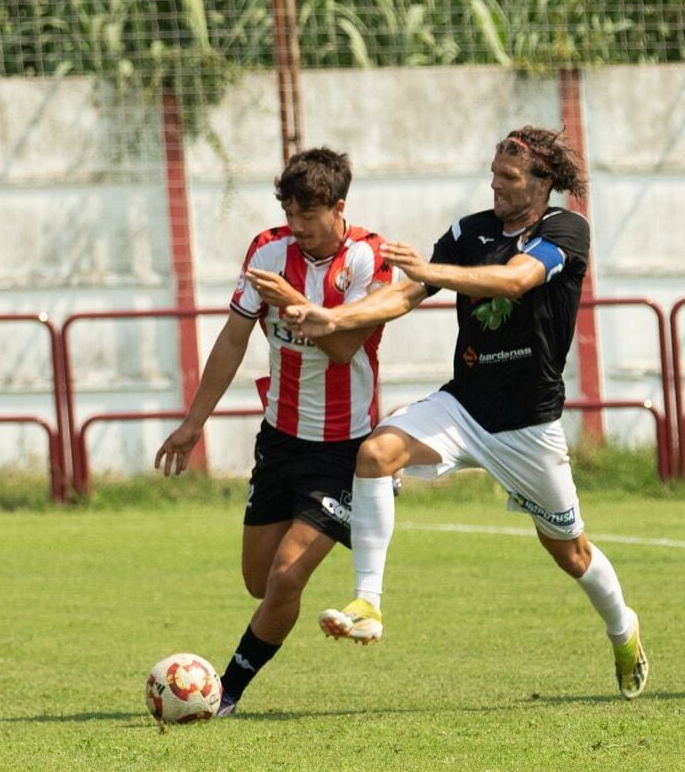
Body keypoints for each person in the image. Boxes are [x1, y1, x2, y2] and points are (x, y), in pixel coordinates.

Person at [250, 125, 648, 700]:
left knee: (569, 550)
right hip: (464, 405)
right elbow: (405, 295)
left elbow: (514, 281)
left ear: (543, 182)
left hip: (528, 425)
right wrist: (338, 319)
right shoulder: (470, 231)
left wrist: (430, 272)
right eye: (492, 174)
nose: (495, 185)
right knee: (376, 453)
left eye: (508, 177)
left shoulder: (566, 229)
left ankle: (622, 627)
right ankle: (369, 603)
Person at [154, 147, 392, 716]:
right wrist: (193, 423)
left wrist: (292, 300)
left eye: (309, 217)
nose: (299, 229)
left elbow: (341, 347)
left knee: (286, 576)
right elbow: (235, 338)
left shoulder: (368, 259)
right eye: (291, 215)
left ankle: (226, 692)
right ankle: (317, 547)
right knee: (259, 582)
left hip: (343, 449)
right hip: (279, 440)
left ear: (339, 208)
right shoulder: (268, 249)